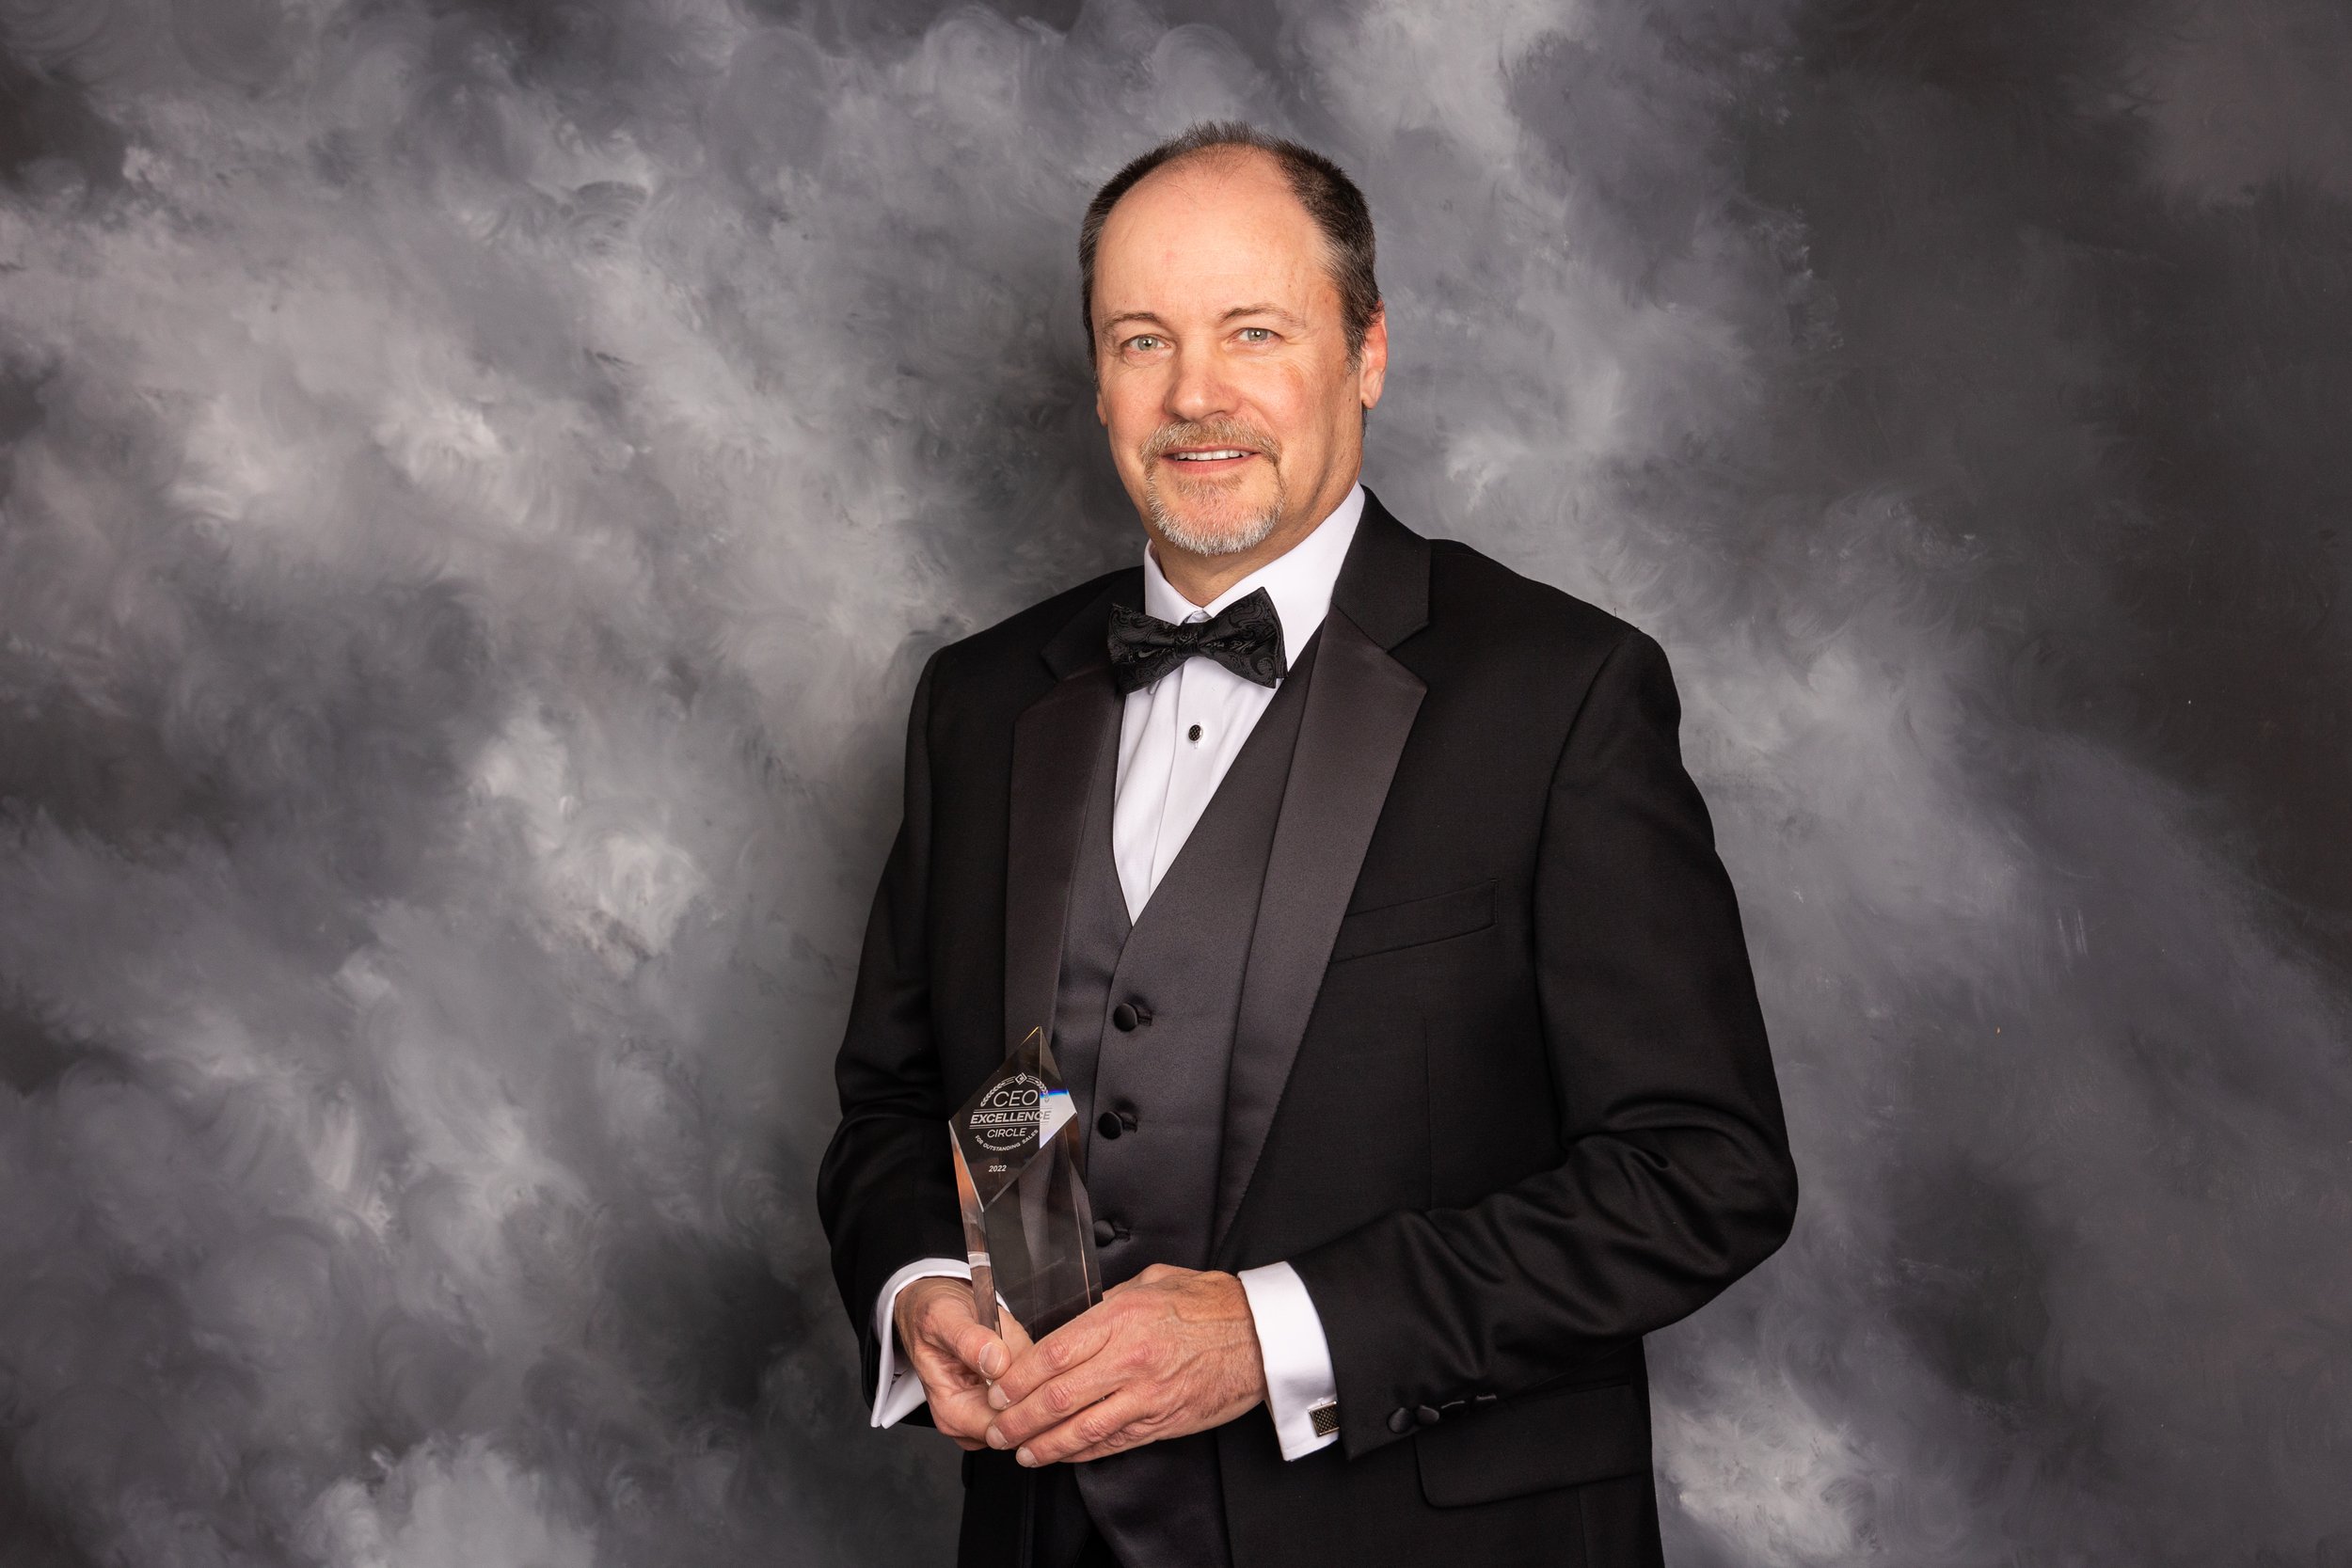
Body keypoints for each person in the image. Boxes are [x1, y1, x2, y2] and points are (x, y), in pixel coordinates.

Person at [815, 120, 1798, 1568]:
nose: (1195, 397)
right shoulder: (979, 702)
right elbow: (906, 1101)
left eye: (1253, 331)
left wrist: (1276, 1332)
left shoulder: (1563, 693)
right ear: (1096, 376)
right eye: (1142, 340)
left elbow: (1704, 1173)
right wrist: (917, 1289)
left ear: (1367, 352)